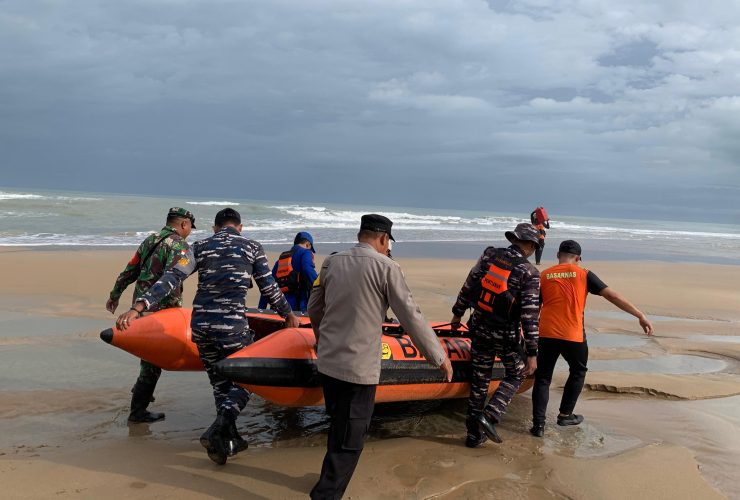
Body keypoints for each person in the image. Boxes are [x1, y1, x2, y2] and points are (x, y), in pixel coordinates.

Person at [116, 208, 300, 465]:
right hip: (231, 327)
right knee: (246, 382)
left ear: (215, 228)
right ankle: (219, 427)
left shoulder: (199, 247)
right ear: (240, 227)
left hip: (201, 327)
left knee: (220, 385)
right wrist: (288, 314)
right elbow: (268, 287)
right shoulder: (252, 247)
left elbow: (172, 277)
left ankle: (222, 445)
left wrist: (138, 307)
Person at [308, 214, 453, 499]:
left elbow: (314, 308)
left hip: (328, 364)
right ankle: (325, 494)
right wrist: (439, 357)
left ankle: (327, 481)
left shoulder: (331, 263)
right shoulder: (387, 267)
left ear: (360, 234)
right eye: (388, 243)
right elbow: (411, 316)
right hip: (358, 370)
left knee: (338, 426)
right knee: (351, 440)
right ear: (384, 238)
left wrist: (322, 340)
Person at [530, 240, 654, 436]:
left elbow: (533, 307)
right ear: (578, 258)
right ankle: (565, 415)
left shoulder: (544, 275)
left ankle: (538, 426)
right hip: (573, 335)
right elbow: (612, 296)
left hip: (546, 334)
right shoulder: (584, 274)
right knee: (578, 371)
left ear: (558, 255)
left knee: (543, 378)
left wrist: (526, 333)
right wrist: (639, 315)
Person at [450, 223, 541, 447]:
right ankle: (490, 415)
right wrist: (532, 352)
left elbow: (469, 284)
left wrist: (457, 314)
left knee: (479, 381)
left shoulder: (489, 255)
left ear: (514, 239)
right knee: (518, 373)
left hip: (479, 328)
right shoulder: (529, 272)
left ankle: (473, 436)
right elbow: (529, 316)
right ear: (530, 245)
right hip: (505, 335)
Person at [106, 207, 196, 423]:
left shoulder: (150, 240)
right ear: (184, 224)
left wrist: (115, 295)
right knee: (153, 361)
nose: (190, 231)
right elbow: (173, 277)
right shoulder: (179, 245)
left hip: (140, 306)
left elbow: (130, 270)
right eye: (190, 227)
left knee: (148, 354)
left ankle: (141, 392)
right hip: (162, 310)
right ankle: (138, 410)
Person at [258, 231, 318, 312]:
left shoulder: (281, 259)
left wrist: (261, 309)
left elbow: (268, 284)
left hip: (280, 306)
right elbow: (307, 270)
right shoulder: (306, 252)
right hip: (298, 307)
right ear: (308, 245)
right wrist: (319, 287)